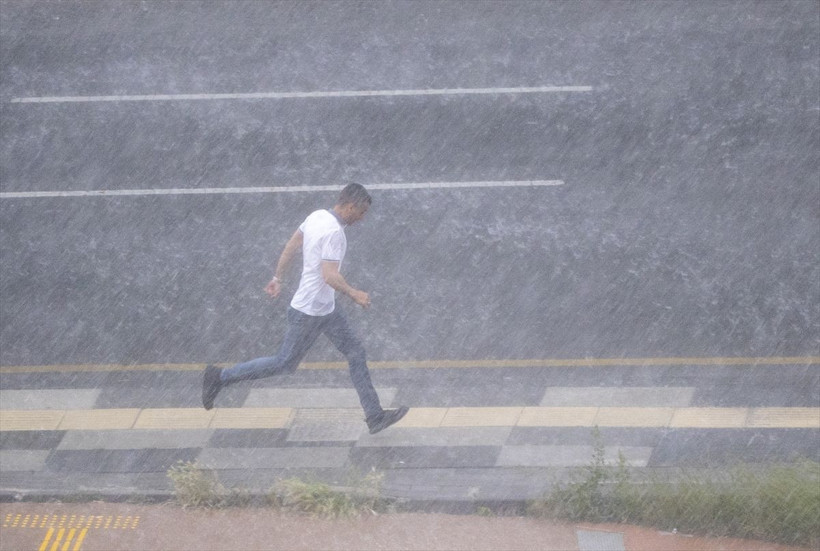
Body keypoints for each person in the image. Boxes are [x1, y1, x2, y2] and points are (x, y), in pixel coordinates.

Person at [201, 183, 408, 434]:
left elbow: (292, 245)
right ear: (350, 206)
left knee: (355, 352)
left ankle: (374, 416)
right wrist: (355, 294)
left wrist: (277, 277)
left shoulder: (317, 215)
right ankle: (219, 377)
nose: (362, 218)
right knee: (284, 363)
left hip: (325, 309)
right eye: (361, 212)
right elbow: (330, 276)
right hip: (309, 312)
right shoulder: (334, 233)